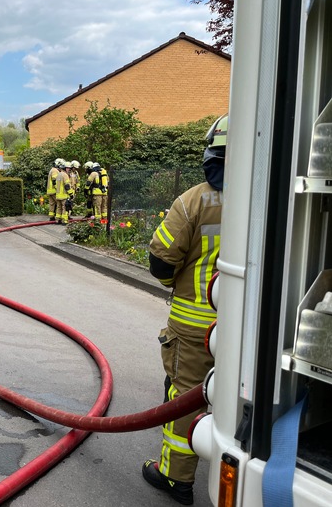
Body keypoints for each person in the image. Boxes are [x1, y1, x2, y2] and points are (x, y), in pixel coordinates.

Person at [142, 114, 227, 506]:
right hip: (254, 329)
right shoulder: (275, 194)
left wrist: (173, 286)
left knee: (185, 397)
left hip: (196, 328)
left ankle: (176, 479)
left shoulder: (194, 200)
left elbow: (161, 260)